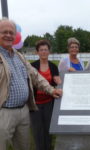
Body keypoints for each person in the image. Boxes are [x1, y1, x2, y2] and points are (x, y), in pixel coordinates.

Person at [0, 18, 62, 150]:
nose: (8, 35)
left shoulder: (19, 56)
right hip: (4, 113)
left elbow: (35, 75)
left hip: (24, 110)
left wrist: (51, 90)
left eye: (11, 32)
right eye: (4, 32)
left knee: (24, 146)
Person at [30, 39, 61, 150]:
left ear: (49, 52)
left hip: (49, 102)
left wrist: (59, 83)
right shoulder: (32, 66)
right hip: (35, 103)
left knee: (48, 127)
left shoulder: (53, 66)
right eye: (41, 50)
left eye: (46, 50)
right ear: (37, 52)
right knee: (37, 129)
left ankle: (48, 147)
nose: (44, 52)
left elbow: (57, 84)